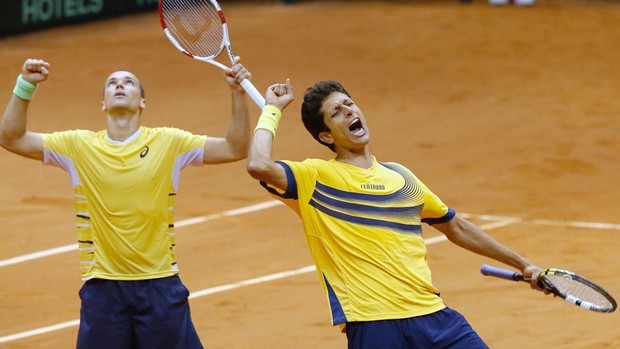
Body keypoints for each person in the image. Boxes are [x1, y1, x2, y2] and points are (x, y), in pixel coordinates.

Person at [247, 79, 545, 348]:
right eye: (336, 112)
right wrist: (272, 110)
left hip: (434, 316)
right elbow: (259, 164)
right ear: (326, 137)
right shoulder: (315, 177)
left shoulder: (402, 178)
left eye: (349, 103)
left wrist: (523, 264)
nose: (348, 111)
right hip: (374, 324)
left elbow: (457, 228)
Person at [0, 57, 253, 348]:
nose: (120, 84)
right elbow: (10, 137)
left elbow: (236, 147)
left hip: (161, 286)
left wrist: (237, 94)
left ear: (143, 103)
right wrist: (25, 85)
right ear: (103, 105)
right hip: (103, 289)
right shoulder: (77, 146)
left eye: (128, 82)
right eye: (112, 83)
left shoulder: (169, 142)